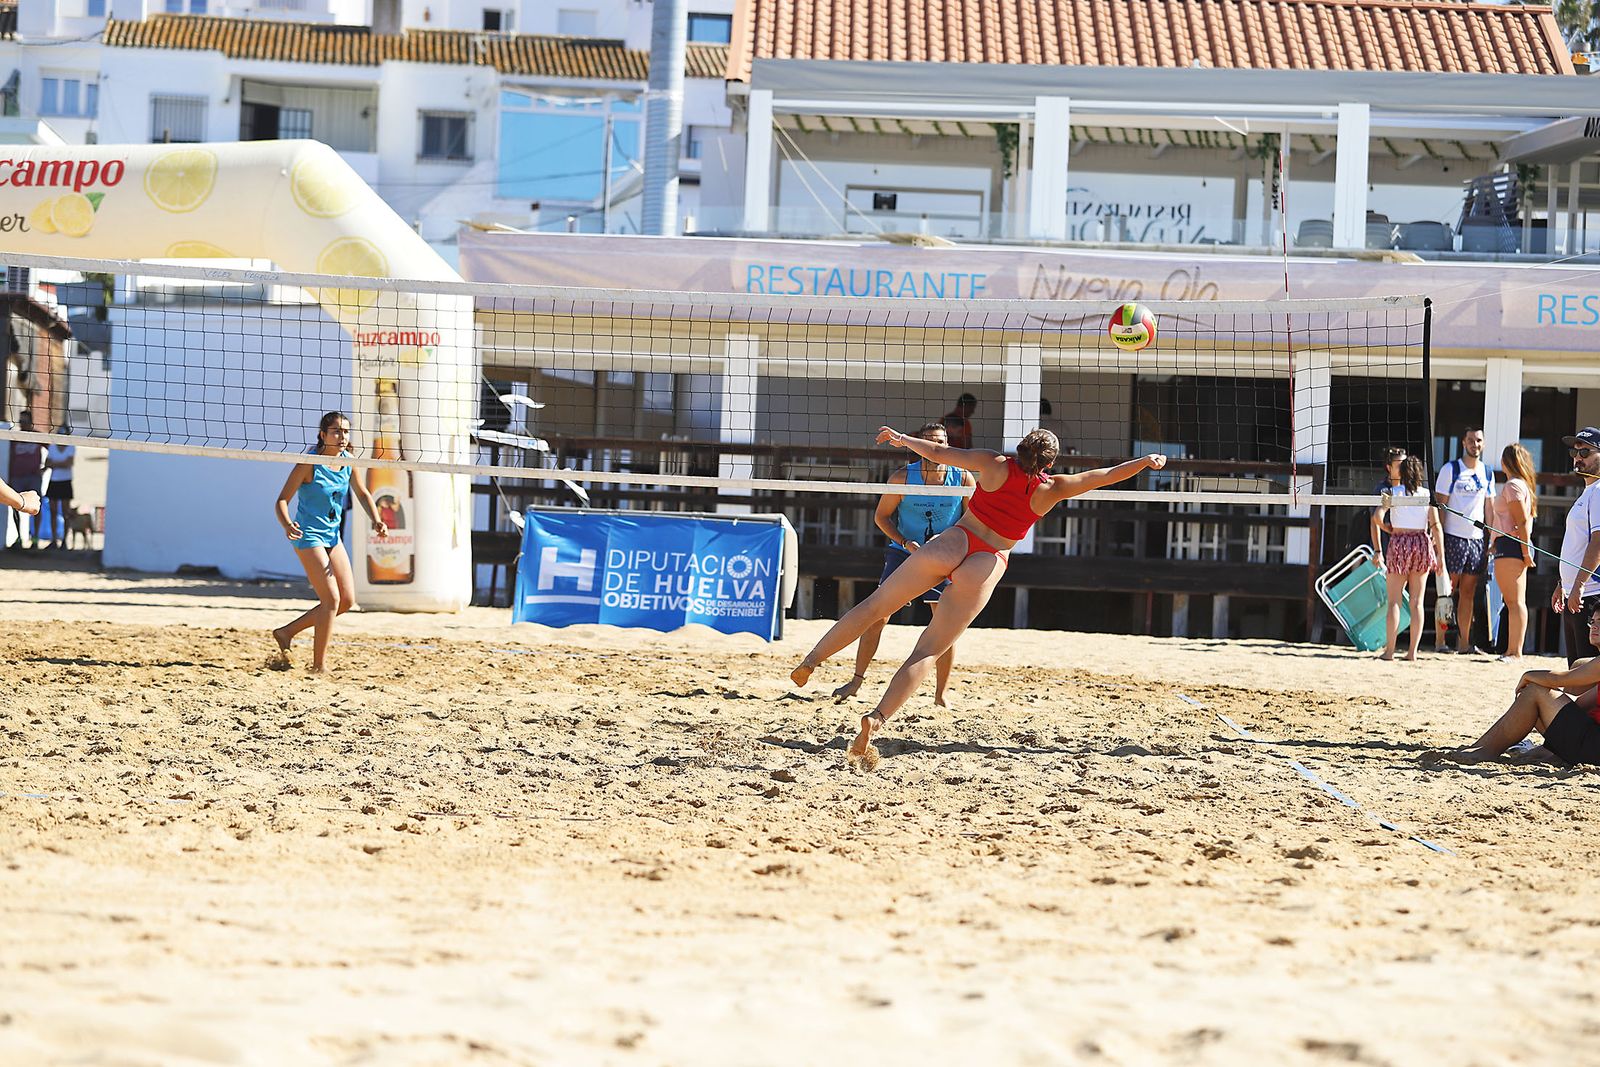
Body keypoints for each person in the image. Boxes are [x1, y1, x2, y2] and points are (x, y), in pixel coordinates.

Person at [790, 425, 1165, 770]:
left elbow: (938, 454)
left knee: (873, 607)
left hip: (954, 542)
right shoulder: (1054, 487)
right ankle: (876, 719)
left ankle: (811, 661)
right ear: (1051, 461)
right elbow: (1105, 476)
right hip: (986, 561)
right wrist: (1146, 461)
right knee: (928, 650)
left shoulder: (994, 463)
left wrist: (903, 439)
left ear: (1020, 449)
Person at [830, 421, 977, 707]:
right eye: (930, 442)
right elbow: (881, 518)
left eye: (941, 442)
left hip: (944, 554)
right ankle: (856, 681)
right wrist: (906, 542)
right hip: (903, 552)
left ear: (948, 445)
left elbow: (971, 521)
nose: (936, 447)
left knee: (944, 622)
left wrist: (950, 539)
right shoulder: (902, 478)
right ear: (919, 446)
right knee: (878, 617)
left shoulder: (962, 478)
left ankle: (940, 695)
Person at [270, 411, 387, 674]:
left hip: (332, 537)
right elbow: (281, 501)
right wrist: (288, 524)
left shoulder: (349, 461)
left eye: (346, 431)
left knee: (346, 601)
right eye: (336, 431)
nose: (342, 436)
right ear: (323, 435)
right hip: (308, 535)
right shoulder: (309, 463)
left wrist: (376, 520)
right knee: (331, 599)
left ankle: (287, 632)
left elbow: (363, 493)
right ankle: (319, 667)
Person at [1420, 610, 1600, 768]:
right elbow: (1579, 704)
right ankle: (1488, 747)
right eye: (1592, 621)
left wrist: (1529, 676)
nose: (1594, 626)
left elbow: (1559, 679)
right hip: (1591, 741)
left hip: (1593, 748)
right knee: (1542, 691)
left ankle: (1485, 750)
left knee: (1535, 691)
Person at [1376, 454, 1447, 662]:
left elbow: (1377, 517)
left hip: (1400, 541)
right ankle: (1412, 653)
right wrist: (1441, 556)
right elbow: (1436, 526)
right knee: (1417, 602)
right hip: (1421, 542)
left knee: (1394, 602)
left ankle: (1389, 652)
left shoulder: (1391, 492)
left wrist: (1388, 528)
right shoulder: (1427, 494)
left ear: (1402, 472)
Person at [1434, 427, 1492, 654]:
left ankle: (1465, 644)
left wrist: (1491, 538)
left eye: (1478, 440)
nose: (1475, 444)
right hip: (1452, 538)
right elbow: (1440, 505)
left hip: (1476, 540)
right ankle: (1440, 641)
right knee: (1446, 590)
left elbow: (1489, 507)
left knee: (1468, 593)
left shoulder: (1487, 472)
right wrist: (1437, 539)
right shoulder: (1451, 469)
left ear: (1483, 444)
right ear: (1463, 442)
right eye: (1471, 440)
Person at [1489, 442, 1538, 663]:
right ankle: (1511, 650)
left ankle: (1515, 651)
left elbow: (1522, 520)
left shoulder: (1513, 486)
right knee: (1513, 601)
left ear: (1506, 461)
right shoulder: (1518, 485)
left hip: (1512, 546)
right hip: (1507, 544)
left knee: (1515, 601)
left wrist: (1525, 552)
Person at [1555, 427, 1600, 665]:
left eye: (1585, 451)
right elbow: (1577, 544)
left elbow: (1598, 543)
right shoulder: (1587, 493)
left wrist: (1579, 586)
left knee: (1586, 674)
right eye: (1575, 451)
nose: (1577, 457)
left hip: (1590, 595)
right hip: (1576, 593)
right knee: (1575, 670)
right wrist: (1563, 584)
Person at [6, 412, 44, 550]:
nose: (22, 423)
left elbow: (56, 448)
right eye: (21, 420)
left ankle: (35, 539)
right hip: (17, 477)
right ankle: (19, 538)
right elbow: (10, 457)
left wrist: (45, 467)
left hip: (33, 477)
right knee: (15, 505)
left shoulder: (38, 436)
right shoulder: (15, 437)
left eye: (25, 421)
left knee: (36, 508)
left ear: (31, 422)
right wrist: (9, 477)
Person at [43, 427, 75, 550]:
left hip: (66, 482)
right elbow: (48, 463)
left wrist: (54, 464)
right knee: (53, 512)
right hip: (54, 481)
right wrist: (59, 463)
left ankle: (65, 541)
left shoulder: (71, 447)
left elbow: (69, 464)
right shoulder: (52, 447)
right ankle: (54, 540)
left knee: (66, 513)